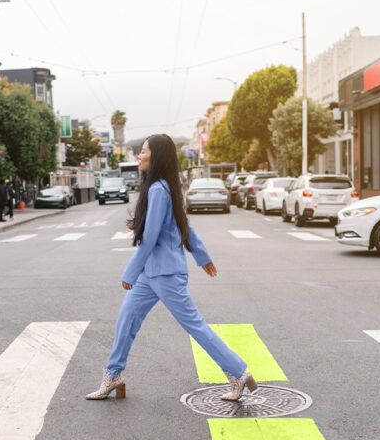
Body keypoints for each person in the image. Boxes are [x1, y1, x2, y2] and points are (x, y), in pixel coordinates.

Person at [86, 134, 256, 402]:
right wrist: (202, 257)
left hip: (164, 274)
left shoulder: (157, 190)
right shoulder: (165, 187)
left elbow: (151, 236)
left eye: (143, 151)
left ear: (156, 157)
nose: (139, 156)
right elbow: (184, 224)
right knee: (126, 320)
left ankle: (238, 372)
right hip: (151, 274)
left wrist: (129, 272)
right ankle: (113, 375)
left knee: (195, 325)